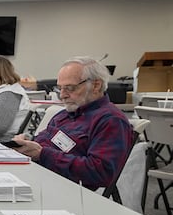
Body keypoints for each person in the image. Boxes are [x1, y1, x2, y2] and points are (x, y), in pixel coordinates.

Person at [12, 56, 133, 190]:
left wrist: (42, 154)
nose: (62, 95)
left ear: (96, 85)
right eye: (60, 88)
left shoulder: (111, 121)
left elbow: (100, 172)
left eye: (70, 88)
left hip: (66, 192)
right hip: (38, 178)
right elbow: (43, 144)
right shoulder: (65, 114)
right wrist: (27, 143)